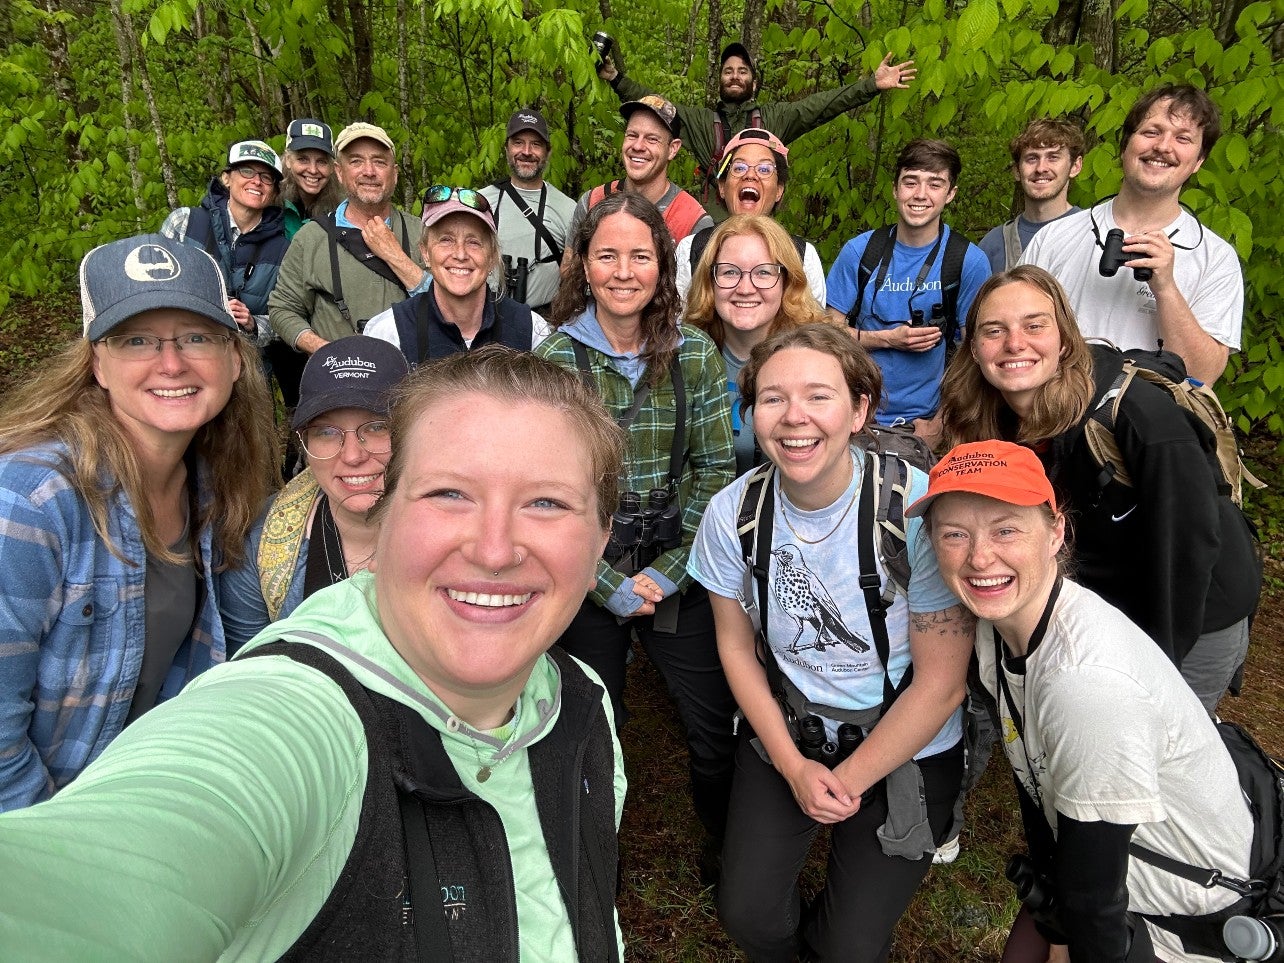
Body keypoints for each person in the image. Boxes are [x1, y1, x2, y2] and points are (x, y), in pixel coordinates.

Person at [0, 347, 628, 962]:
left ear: (601, 535)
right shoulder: (296, 714)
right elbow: (150, 845)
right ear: (387, 512)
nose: (495, 550)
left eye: (547, 502)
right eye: (447, 494)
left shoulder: (582, 702)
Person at [689, 323, 973, 962]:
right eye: (772, 398)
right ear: (751, 411)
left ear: (860, 409)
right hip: (791, 731)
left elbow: (942, 684)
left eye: (819, 396)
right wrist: (794, 768)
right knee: (747, 916)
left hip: (908, 739)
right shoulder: (732, 516)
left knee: (850, 949)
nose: (795, 418)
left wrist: (844, 780)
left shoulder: (918, 511)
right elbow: (736, 649)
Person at [911, 440, 1255, 963]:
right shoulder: (1003, 627)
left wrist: (1067, 932)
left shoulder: (1086, 687)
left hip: (1183, 921)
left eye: (1006, 529)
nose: (980, 557)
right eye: (955, 534)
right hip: (1104, 872)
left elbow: (1096, 900)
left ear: (1056, 533)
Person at [0, 233, 278, 812]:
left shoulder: (217, 486)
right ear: (97, 363)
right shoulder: (29, 502)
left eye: (196, 337)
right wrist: (68, 856)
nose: (171, 363)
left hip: (145, 795)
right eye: (136, 341)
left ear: (233, 356)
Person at [937, 265, 1259, 712]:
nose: (1015, 343)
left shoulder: (1136, 416)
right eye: (995, 330)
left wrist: (1154, 671)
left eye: (1035, 326)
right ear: (973, 348)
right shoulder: (989, 420)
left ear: (1065, 338)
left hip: (1193, 610)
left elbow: (1188, 548)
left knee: (1148, 743)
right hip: (1104, 600)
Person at [535, 191, 738, 877]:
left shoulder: (696, 355)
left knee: (714, 723)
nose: (624, 270)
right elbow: (544, 492)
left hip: (677, 555)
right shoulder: (557, 360)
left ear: (664, 265)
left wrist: (673, 570)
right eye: (607, 254)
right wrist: (606, 583)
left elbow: (715, 469)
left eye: (640, 255)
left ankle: (730, 846)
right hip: (586, 562)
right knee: (590, 724)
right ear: (584, 266)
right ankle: (593, 863)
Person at [1021, 85, 1240, 386]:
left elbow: (1202, 376)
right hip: (1050, 418)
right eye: (1151, 132)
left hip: (1152, 428)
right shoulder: (1055, 238)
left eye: (1183, 138)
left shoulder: (1215, 257)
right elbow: (1012, 338)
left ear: (1199, 161)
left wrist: (1165, 288)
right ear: (1125, 145)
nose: (1163, 147)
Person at [221, 336, 409, 648]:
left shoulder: (466, 534)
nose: (352, 455)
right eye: (326, 432)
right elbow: (249, 666)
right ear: (304, 444)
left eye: (377, 427)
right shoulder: (259, 544)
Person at [600, 40, 915, 217]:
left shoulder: (775, 118)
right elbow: (657, 107)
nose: (735, 76)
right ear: (720, 79)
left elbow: (823, 105)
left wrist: (871, 85)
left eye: (742, 70)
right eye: (728, 71)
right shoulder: (698, 121)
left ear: (753, 81)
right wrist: (615, 79)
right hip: (714, 228)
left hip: (760, 226)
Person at [825, 138, 990, 451]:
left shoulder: (967, 260)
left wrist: (942, 423)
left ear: (951, 193)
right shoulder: (861, 252)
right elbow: (827, 332)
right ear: (895, 189)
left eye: (935, 184)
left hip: (925, 426)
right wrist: (887, 338)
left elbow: (977, 353)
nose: (920, 195)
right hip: (855, 420)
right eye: (910, 182)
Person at [684, 213, 831, 474]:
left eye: (763, 272)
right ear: (710, 281)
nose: (745, 288)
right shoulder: (687, 357)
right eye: (730, 272)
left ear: (787, 281)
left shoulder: (820, 360)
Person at [269, 122, 429, 356]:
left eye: (379, 161)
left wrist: (396, 257)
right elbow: (282, 309)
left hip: (413, 383)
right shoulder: (311, 238)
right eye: (356, 161)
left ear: (394, 174)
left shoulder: (423, 233)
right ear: (340, 173)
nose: (369, 171)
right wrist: (328, 352)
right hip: (338, 384)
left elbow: (455, 306)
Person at [364, 186, 550, 366]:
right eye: (446, 240)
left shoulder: (531, 331)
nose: (460, 254)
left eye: (474, 242)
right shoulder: (389, 332)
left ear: (492, 256)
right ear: (426, 253)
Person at [160, 139, 288, 349]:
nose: (257, 181)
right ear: (226, 178)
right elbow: (154, 288)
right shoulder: (184, 223)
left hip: (245, 364)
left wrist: (253, 323)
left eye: (266, 177)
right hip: (180, 350)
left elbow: (288, 318)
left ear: (273, 192)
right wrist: (208, 307)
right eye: (247, 171)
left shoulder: (284, 249)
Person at [675, 127, 826, 305]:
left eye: (764, 169)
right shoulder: (692, 249)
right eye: (739, 167)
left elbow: (813, 326)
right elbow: (680, 326)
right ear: (722, 187)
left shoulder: (802, 255)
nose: (750, 175)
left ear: (779, 191)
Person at [566, 94, 714, 245]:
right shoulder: (592, 202)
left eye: (652, 139)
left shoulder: (693, 221)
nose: (638, 146)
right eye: (632, 135)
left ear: (672, 149)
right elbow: (569, 266)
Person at [480, 108, 576, 315]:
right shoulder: (480, 202)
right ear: (506, 148)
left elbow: (577, 277)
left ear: (548, 152)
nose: (526, 151)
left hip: (545, 323)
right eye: (518, 142)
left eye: (536, 144)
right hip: (484, 319)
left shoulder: (569, 209)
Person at [978, 118, 1086, 273]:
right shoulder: (993, 244)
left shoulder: (1094, 234)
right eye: (1032, 158)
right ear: (1016, 170)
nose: (1041, 168)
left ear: (1075, 166)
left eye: (1053, 157)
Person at [280, 118, 343, 240]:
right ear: (288, 160)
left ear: (332, 167)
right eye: (303, 159)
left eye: (321, 161)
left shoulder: (342, 212)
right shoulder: (271, 203)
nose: (313, 170)